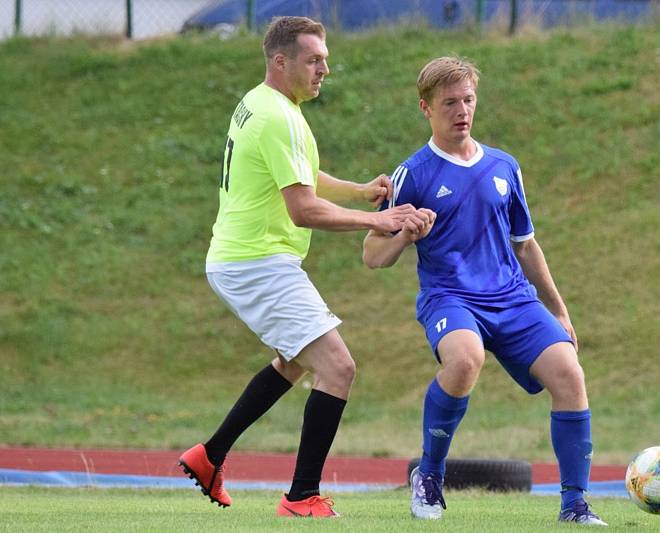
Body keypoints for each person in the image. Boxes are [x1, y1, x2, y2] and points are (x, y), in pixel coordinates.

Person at [178, 16, 428, 518]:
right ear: (281, 61)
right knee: (338, 367)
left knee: (296, 361)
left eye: (325, 59)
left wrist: (359, 191)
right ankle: (301, 497)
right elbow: (303, 208)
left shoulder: (262, 103)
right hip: (256, 263)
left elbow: (299, 172)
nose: (325, 69)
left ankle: (210, 455)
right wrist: (377, 218)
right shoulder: (278, 116)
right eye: (315, 60)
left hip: (244, 258)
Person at [362, 57, 607, 526]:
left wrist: (559, 310)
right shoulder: (412, 175)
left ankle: (574, 505)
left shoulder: (504, 166)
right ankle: (429, 476)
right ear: (426, 108)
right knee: (464, 359)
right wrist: (404, 236)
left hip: (512, 299)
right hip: (450, 298)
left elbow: (526, 245)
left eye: (468, 100)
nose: (462, 110)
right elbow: (372, 255)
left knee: (570, 374)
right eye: (449, 102)